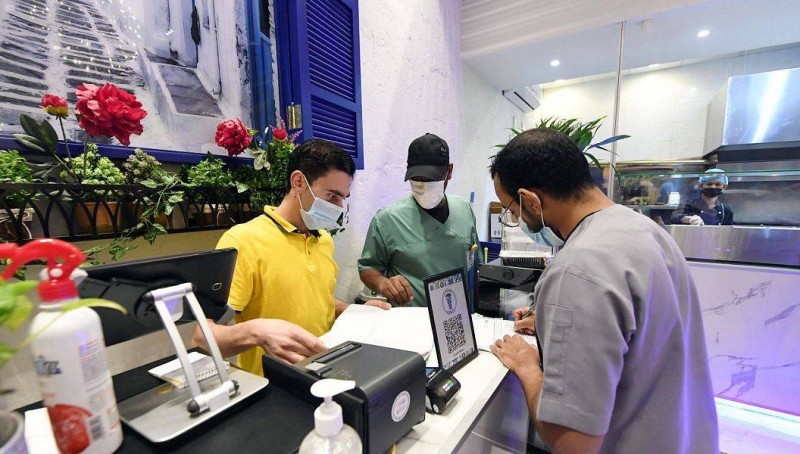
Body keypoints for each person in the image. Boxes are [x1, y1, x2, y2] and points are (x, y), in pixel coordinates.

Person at [489, 129, 718, 453]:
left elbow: (572, 444)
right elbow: (639, 342)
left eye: (512, 210)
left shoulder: (576, 268)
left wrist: (528, 367)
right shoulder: (648, 231)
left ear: (530, 200)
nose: (516, 219)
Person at [192, 139, 390, 375]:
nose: (339, 207)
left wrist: (354, 310)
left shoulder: (323, 240)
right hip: (274, 383)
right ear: (298, 182)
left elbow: (319, 302)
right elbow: (201, 338)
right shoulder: (243, 241)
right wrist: (255, 331)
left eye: (343, 198)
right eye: (332, 196)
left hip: (325, 373)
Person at [358, 133, 480, 306]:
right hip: (410, 316)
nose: (424, 186)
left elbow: (475, 264)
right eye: (417, 179)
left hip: (458, 313)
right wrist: (383, 283)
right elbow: (368, 268)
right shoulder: (387, 220)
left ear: (449, 171)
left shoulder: (464, 210)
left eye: (432, 179)